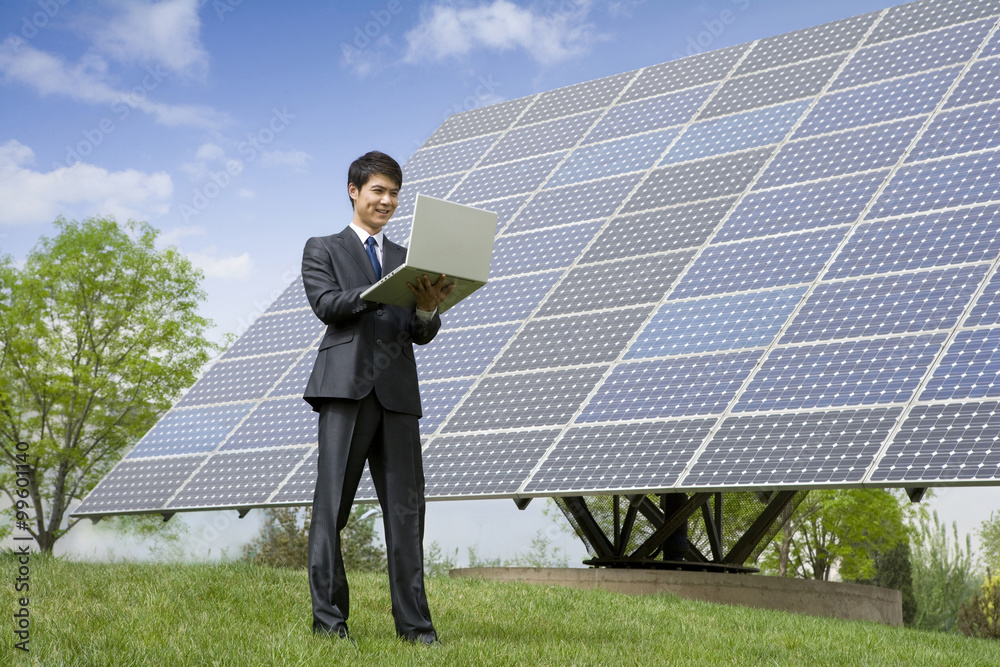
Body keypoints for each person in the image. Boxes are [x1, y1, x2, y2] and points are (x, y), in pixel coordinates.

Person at [300, 151, 454, 645]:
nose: (386, 201)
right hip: (344, 390)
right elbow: (327, 305)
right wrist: (376, 291)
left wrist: (429, 310)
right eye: (378, 191)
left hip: (398, 397)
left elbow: (418, 330)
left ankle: (417, 630)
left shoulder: (409, 261)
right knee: (331, 510)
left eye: (393, 193)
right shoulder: (322, 247)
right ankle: (329, 623)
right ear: (354, 190)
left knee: (408, 515)